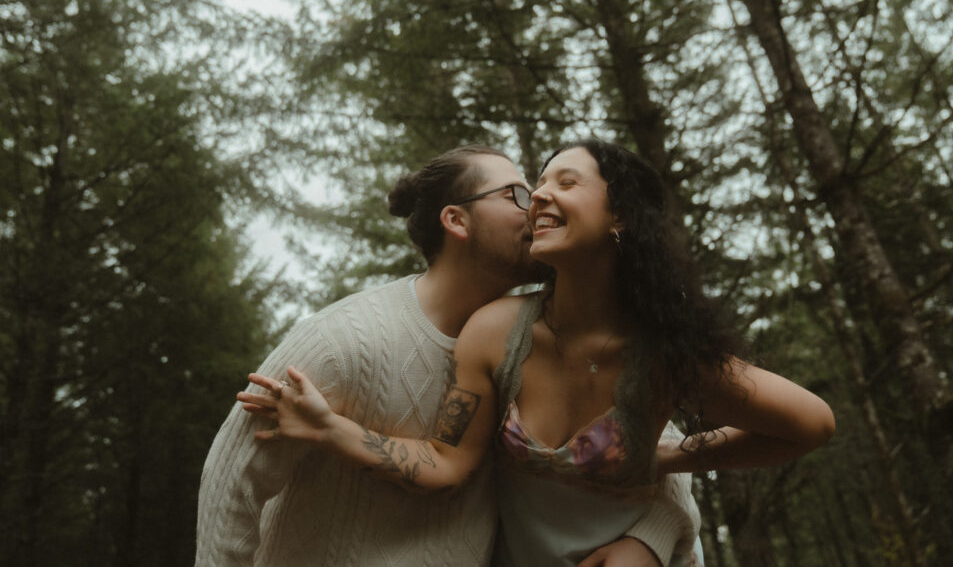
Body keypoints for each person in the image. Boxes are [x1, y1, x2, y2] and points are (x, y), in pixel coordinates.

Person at [239, 140, 835, 566]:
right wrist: (330, 428)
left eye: (565, 183)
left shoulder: (668, 354)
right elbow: (445, 462)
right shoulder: (496, 331)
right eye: (536, 186)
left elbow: (809, 425)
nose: (540, 197)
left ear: (621, 217)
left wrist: (669, 460)